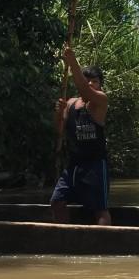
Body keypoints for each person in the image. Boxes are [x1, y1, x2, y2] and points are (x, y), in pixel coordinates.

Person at [51, 46, 111, 225]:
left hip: (95, 165)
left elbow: (86, 92)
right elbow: (59, 130)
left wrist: (72, 62)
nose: (91, 84)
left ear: (100, 84)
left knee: (100, 210)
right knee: (56, 201)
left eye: (95, 81)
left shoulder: (101, 100)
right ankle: (65, 239)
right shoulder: (70, 103)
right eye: (88, 80)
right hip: (74, 166)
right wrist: (58, 113)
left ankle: (103, 245)